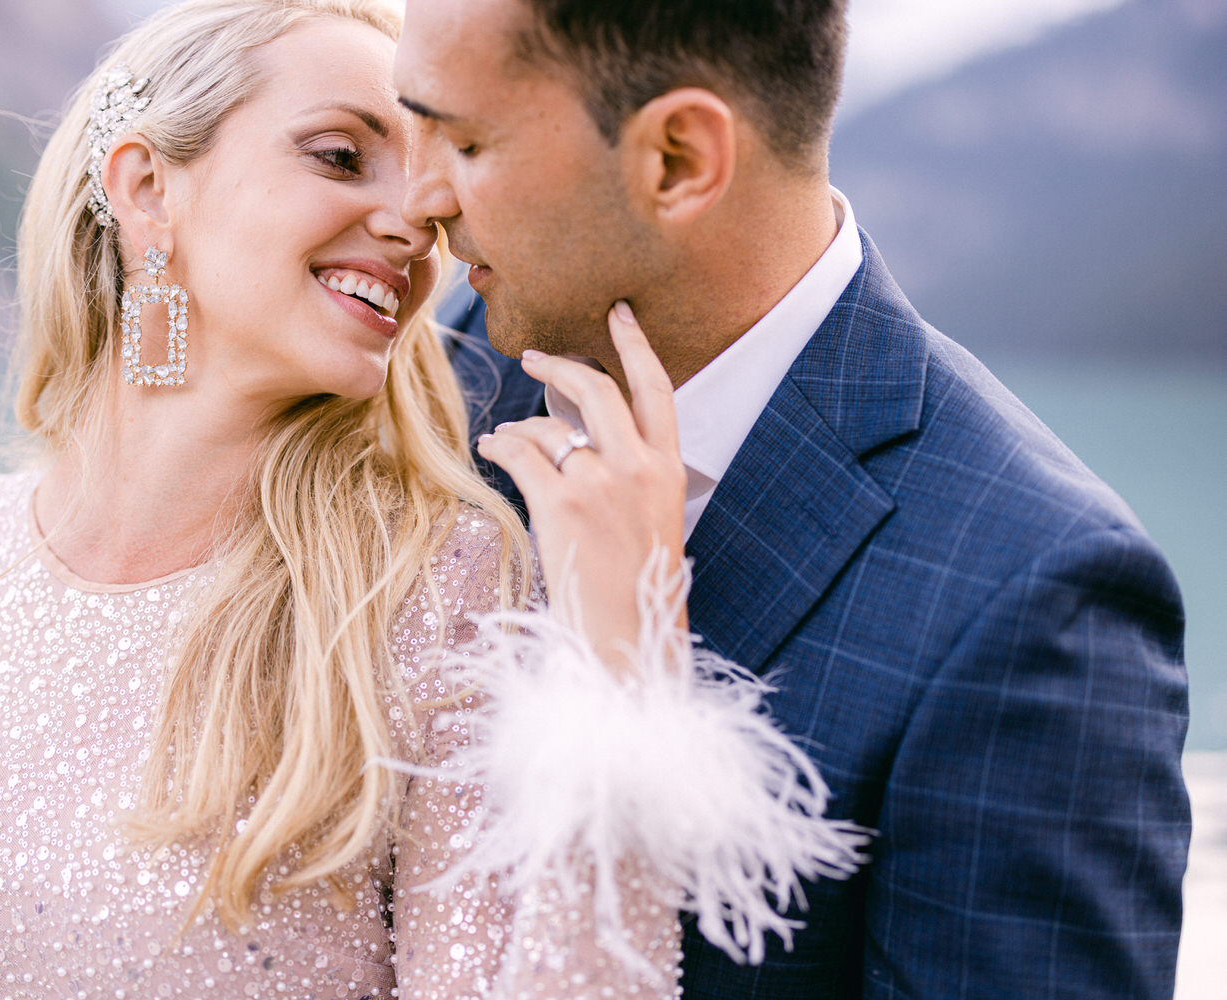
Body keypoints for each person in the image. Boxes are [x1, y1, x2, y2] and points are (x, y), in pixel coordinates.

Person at [0, 2, 864, 999]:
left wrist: (623, 676)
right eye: (341, 156)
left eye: (432, 164)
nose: (419, 217)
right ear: (148, 187)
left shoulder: (439, 586)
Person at [394, 0, 1193, 997]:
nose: (417, 195)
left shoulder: (1038, 601)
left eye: (466, 142)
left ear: (678, 159)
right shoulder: (452, 357)